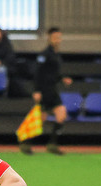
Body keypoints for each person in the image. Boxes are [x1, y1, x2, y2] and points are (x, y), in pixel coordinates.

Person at [21, 27, 72, 156]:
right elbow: (38, 73)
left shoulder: (56, 54)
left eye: (59, 37)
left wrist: (62, 78)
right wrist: (37, 90)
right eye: (55, 37)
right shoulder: (44, 54)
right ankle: (26, 143)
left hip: (53, 90)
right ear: (49, 38)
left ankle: (52, 144)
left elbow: (53, 72)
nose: (57, 40)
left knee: (61, 114)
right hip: (44, 90)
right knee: (40, 119)